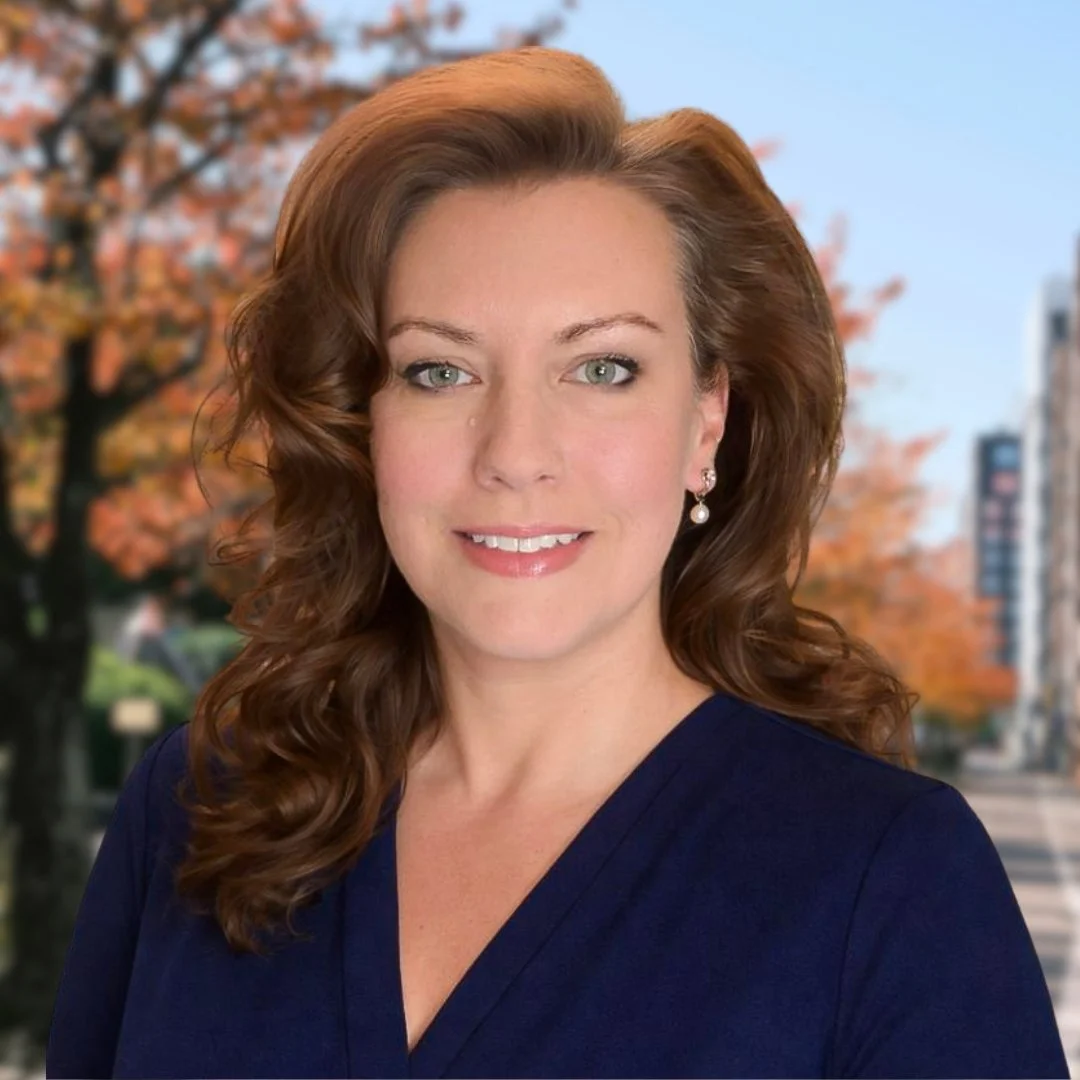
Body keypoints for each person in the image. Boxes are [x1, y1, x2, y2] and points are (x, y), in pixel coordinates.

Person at [47, 46, 1068, 1079]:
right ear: (362, 422)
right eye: (440, 371)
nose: (516, 454)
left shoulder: (887, 879)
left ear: (707, 418)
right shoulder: (194, 811)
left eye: (602, 368)